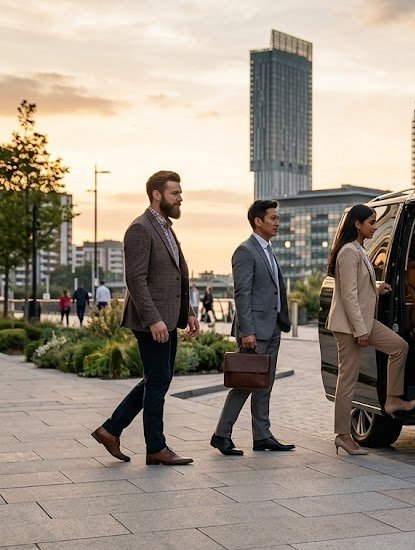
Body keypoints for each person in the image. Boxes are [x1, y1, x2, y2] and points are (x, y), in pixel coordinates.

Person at [91, 170, 199, 466]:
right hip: (150, 321)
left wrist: (188, 312)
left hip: (167, 318)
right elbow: (135, 280)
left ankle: (111, 430)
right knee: (158, 379)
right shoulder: (140, 228)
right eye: (175, 193)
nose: (180, 198)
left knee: (157, 379)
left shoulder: (166, 227)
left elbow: (175, 276)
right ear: (157, 194)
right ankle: (156, 448)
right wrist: (153, 319)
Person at [326, 204, 415, 455]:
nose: (375, 226)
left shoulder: (358, 249)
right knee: (347, 381)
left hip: (363, 321)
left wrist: (375, 288)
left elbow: (357, 286)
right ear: (357, 224)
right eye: (371, 222)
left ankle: (392, 400)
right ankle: (343, 435)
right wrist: (360, 331)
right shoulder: (348, 251)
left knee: (399, 346)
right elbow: (348, 295)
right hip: (350, 327)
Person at [211, 200, 295, 456]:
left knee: (265, 384)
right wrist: (247, 331)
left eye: (278, 218)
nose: (277, 222)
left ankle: (262, 436)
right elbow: (242, 293)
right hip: (255, 331)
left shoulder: (268, 250)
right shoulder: (245, 251)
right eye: (273, 218)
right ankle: (221, 435)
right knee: (245, 384)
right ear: (258, 221)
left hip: (273, 327)